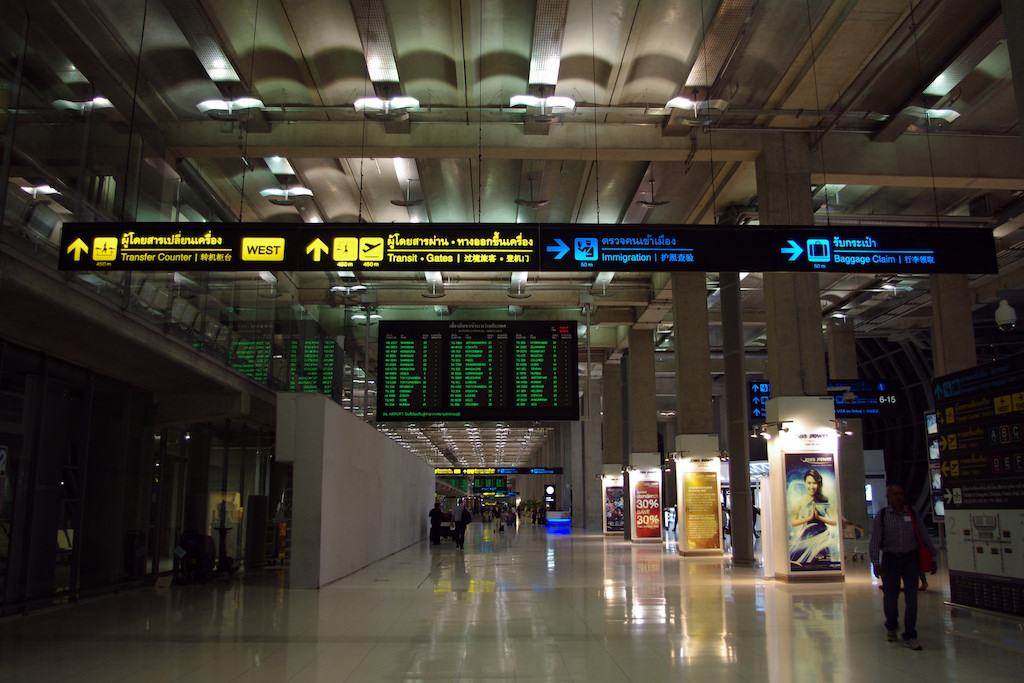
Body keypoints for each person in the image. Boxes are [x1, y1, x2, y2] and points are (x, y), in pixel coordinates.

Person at [869, 483, 938, 651]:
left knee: (912, 599)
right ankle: (891, 625)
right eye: (895, 494)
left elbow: (923, 536)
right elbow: (875, 541)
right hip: (890, 560)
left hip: (910, 560)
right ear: (888, 497)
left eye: (900, 494)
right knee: (891, 598)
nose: (899, 497)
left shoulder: (912, 513)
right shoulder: (883, 515)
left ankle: (910, 634)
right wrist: (875, 563)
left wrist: (933, 557)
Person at [789, 468, 837, 565]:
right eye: (809, 483)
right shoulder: (800, 501)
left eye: (814, 483)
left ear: (819, 484)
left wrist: (819, 518)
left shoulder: (824, 501)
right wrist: (809, 518)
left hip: (822, 538)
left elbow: (834, 521)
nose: (812, 486)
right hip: (805, 537)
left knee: (820, 561)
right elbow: (793, 522)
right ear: (805, 483)